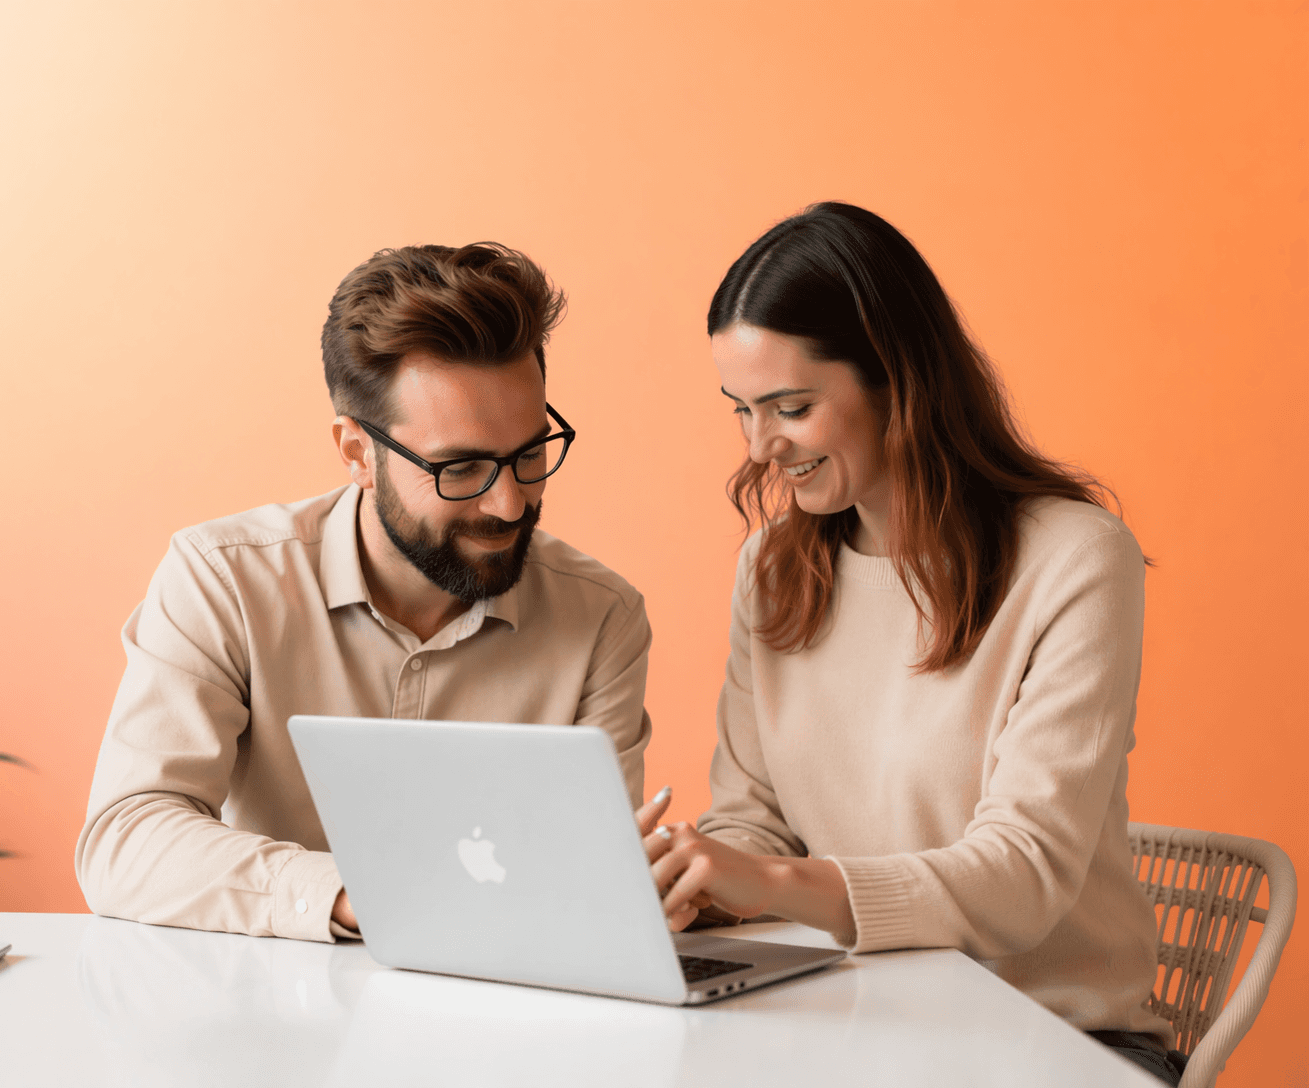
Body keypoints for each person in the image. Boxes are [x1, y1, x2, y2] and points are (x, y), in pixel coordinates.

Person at [638, 203, 1185, 1085]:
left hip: (1056, 1039)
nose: (762, 446)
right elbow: (755, 819)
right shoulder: (772, 569)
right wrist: (694, 886)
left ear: (898, 381)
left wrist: (771, 885)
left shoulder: (1076, 559)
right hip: (854, 1025)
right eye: (742, 410)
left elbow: (1023, 876)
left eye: (791, 408)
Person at [77, 242, 652, 943]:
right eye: (459, 468)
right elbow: (126, 838)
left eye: (529, 454)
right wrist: (356, 896)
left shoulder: (603, 618)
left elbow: (591, 877)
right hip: (265, 1003)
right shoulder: (224, 581)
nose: (508, 503)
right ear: (357, 452)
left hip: (504, 1001)